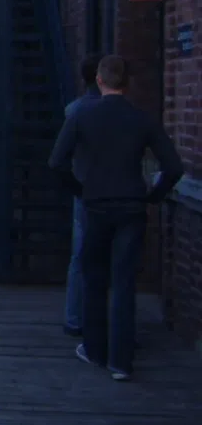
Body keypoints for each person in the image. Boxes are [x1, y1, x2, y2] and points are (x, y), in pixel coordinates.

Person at [47, 55, 183, 380]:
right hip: (131, 207)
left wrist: (80, 190)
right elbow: (174, 167)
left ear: (99, 80)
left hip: (95, 204)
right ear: (127, 82)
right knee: (124, 283)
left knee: (94, 279)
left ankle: (95, 350)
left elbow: (56, 162)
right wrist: (153, 195)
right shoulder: (142, 119)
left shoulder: (82, 116)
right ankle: (121, 362)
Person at [61, 57, 102, 336]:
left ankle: (75, 317)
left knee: (80, 256)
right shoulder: (113, 110)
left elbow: (60, 159)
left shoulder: (74, 109)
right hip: (107, 190)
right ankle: (95, 319)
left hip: (85, 189)